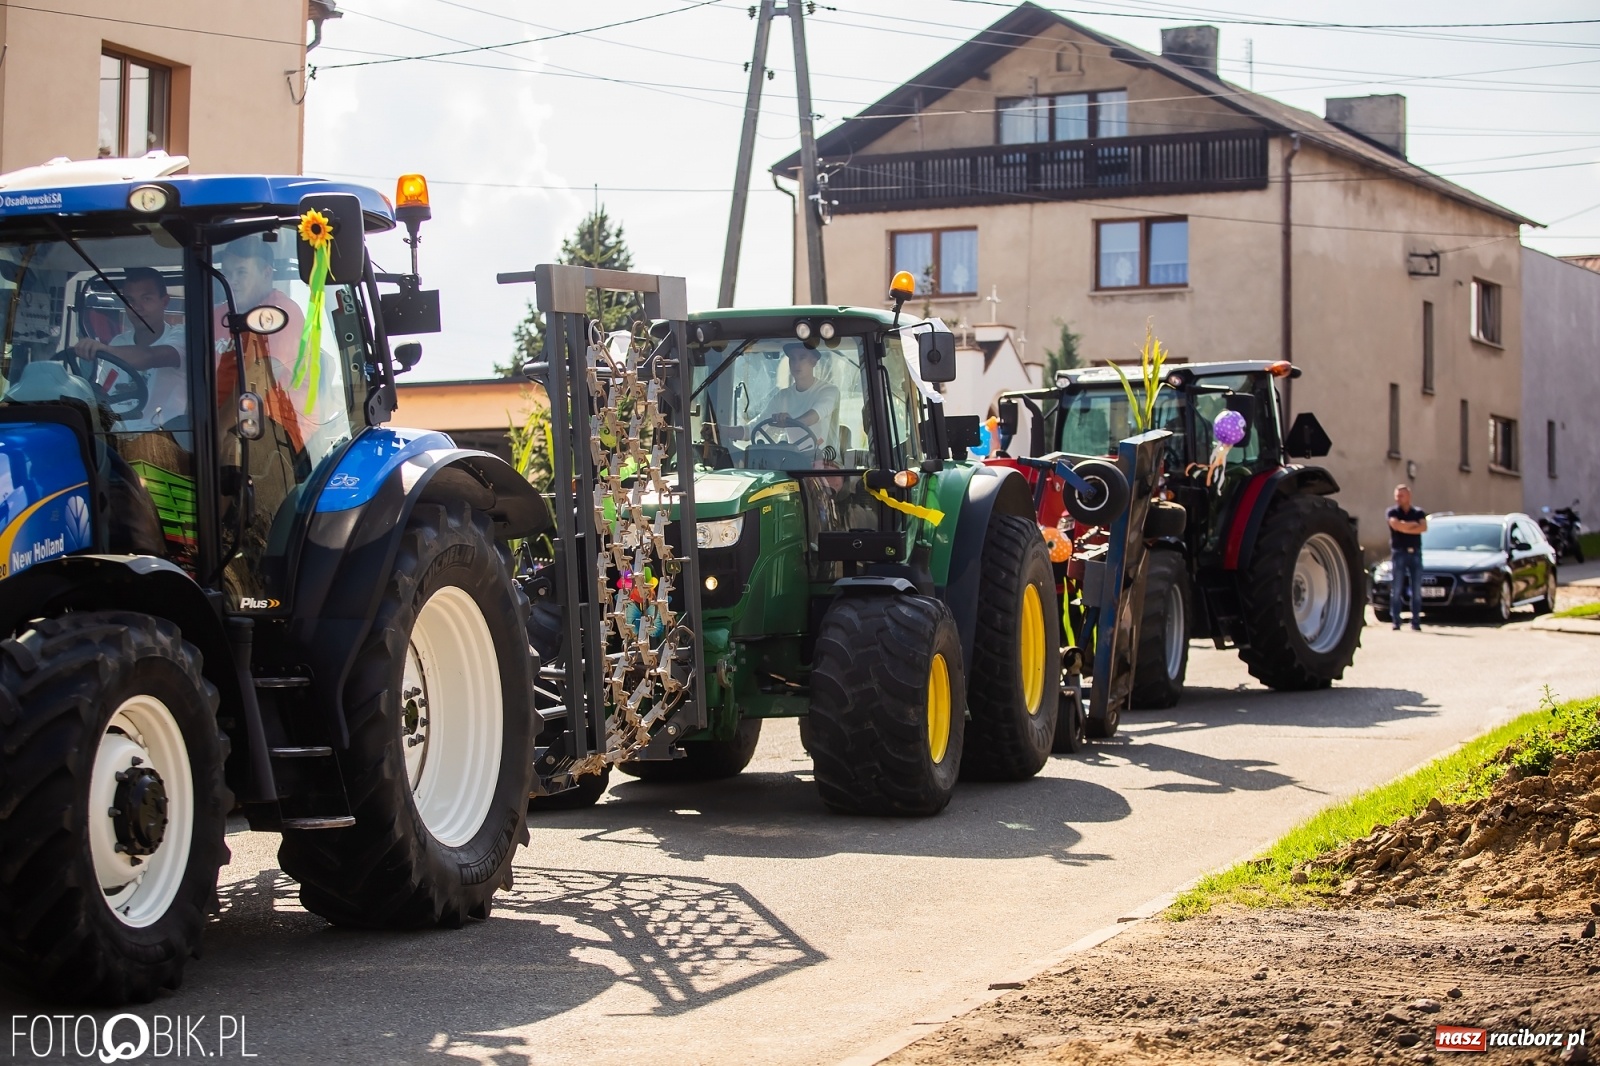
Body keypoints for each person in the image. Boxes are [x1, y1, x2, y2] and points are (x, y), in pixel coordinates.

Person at [212, 236, 309, 451]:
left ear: (266, 273)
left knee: (231, 452)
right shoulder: (218, 315)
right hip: (219, 422)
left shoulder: (280, 312)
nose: (231, 281)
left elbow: (262, 374)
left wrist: (217, 429)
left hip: (271, 432)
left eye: (241, 272)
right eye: (226, 273)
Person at [73, 267, 187, 426]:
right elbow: (105, 393)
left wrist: (104, 349)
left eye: (146, 299)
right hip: (119, 437)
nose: (136, 307)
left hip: (166, 439)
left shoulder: (180, 336)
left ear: (164, 301)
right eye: (130, 300)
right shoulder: (119, 343)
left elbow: (150, 356)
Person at [748, 342, 839, 451]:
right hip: (794, 460)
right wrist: (724, 430)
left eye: (802, 358)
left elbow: (813, 417)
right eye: (792, 358)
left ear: (813, 361)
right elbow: (753, 429)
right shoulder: (782, 396)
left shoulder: (829, 391)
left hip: (825, 462)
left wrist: (789, 422)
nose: (796, 364)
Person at [1387, 484, 1428, 631]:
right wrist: (1412, 526)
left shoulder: (1418, 512)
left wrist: (1405, 526)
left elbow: (1423, 527)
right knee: (1396, 588)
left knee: (1416, 589)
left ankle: (1415, 621)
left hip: (1415, 553)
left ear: (1408, 496)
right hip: (1399, 553)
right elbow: (1396, 526)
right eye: (1397, 495)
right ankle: (1396, 621)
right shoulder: (1392, 512)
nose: (1398, 498)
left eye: (1401, 495)